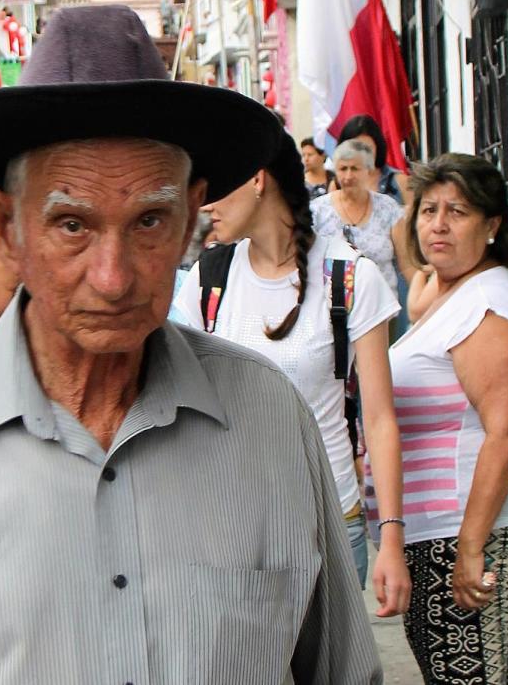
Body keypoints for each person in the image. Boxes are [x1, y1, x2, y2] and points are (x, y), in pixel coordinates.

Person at [0, 4, 381, 683]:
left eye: (149, 220)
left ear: (190, 221)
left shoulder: (271, 419)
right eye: (72, 225)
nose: (113, 278)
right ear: (5, 227)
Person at [172, 132, 410, 612]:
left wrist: (391, 539)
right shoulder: (209, 278)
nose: (206, 205)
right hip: (235, 525)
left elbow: (380, 420)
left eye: (218, 187)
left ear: (258, 179)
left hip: (330, 522)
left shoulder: (349, 277)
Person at [375, 153, 508, 684]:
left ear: (492, 224)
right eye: (428, 210)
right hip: (449, 532)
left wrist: (471, 547)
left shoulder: (487, 307)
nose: (438, 224)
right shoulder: (454, 291)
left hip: (478, 532)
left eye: (457, 212)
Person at [311, 140, 413, 298]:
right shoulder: (318, 210)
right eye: (343, 169)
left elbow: (407, 264)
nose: (348, 176)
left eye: (355, 169)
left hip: (383, 305)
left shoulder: (388, 208)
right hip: (333, 307)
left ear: (369, 170)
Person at [338, 114, 410, 206]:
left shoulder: (400, 182)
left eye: (368, 149)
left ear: (378, 147)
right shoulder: (337, 184)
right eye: (356, 149)